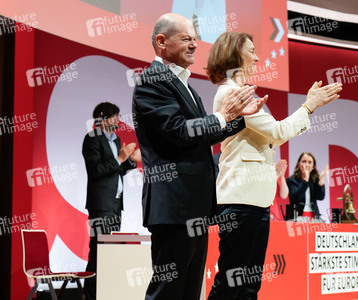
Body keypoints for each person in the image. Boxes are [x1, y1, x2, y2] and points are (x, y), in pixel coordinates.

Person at [132, 13, 267, 300]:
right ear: (161, 41)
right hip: (173, 206)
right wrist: (223, 115)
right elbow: (178, 131)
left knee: (190, 291)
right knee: (167, 291)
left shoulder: (187, 86)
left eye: (195, 39)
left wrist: (239, 120)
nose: (194, 45)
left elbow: (201, 136)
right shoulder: (152, 80)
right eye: (186, 39)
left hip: (195, 208)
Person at [205, 31, 342, 299]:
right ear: (234, 54)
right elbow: (279, 132)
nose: (257, 57)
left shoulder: (239, 91)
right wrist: (309, 106)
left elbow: (272, 133)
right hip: (241, 201)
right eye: (251, 51)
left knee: (248, 285)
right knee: (232, 282)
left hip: (253, 201)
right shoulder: (232, 92)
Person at [82, 102, 141, 300]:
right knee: (98, 250)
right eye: (113, 116)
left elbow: (119, 169)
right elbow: (96, 170)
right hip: (100, 204)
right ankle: (90, 295)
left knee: (110, 251)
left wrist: (132, 160)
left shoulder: (116, 140)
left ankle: (105, 293)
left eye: (117, 116)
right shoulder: (92, 139)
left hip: (116, 204)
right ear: (101, 118)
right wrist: (119, 159)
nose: (117, 120)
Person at [287, 152, 328, 221]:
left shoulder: (314, 180)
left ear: (313, 165)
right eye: (304, 162)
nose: (307, 165)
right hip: (297, 217)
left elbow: (320, 197)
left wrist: (321, 180)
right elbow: (296, 197)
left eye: (310, 162)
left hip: (314, 216)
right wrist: (305, 180)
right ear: (298, 164)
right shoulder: (291, 180)